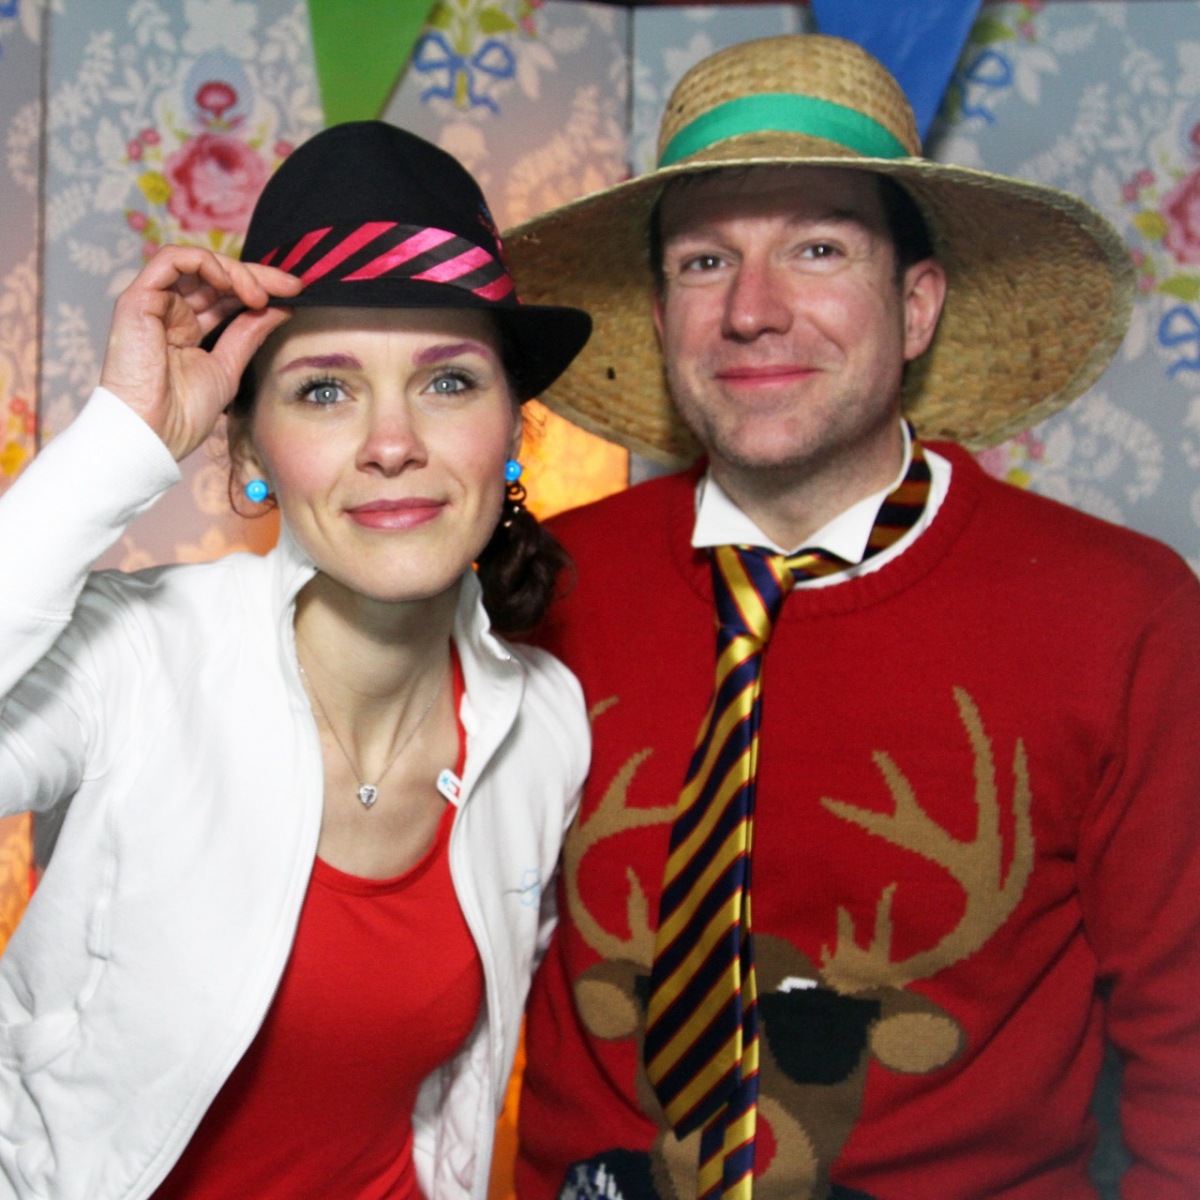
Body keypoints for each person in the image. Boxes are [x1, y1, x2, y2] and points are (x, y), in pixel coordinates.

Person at [502, 34, 1200, 1200]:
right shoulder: (544, 585)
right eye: (706, 261)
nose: (753, 311)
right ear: (663, 314)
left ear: (915, 306)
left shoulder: (1120, 615)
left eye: (817, 249)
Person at [0, 121, 592, 1200]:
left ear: (514, 432)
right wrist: (120, 440)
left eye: (448, 383)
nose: (392, 442)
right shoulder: (137, 656)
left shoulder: (543, 724)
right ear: (249, 447)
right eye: (325, 389)